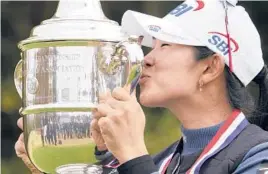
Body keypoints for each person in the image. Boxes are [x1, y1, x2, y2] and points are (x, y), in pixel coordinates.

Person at [15, 0, 268, 173]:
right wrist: (55, 165)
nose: (146, 59)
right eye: (152, 46)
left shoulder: (258, 156)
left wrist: (133, 155)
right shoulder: (163, 162)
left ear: (210, 67)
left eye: (166, 45)